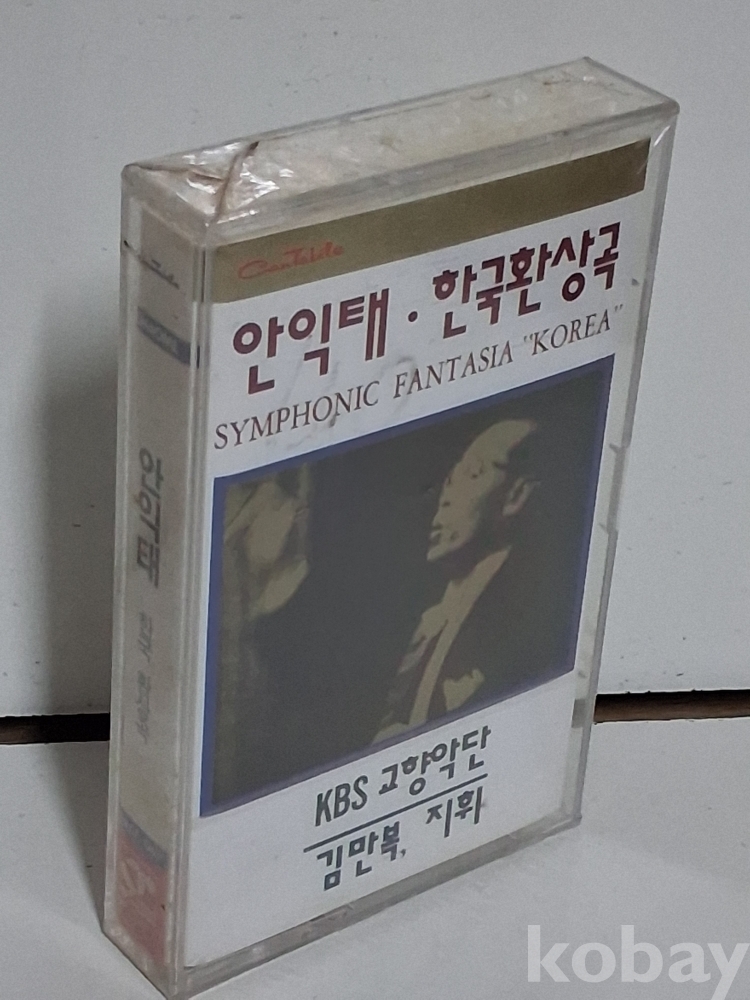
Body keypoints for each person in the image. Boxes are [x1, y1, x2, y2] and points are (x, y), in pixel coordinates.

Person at [374, 417, 568, 742]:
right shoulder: (431, 623)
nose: (445, 497)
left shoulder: (527, 617)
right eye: (449, 481)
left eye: (472, 474)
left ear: (515, 495)